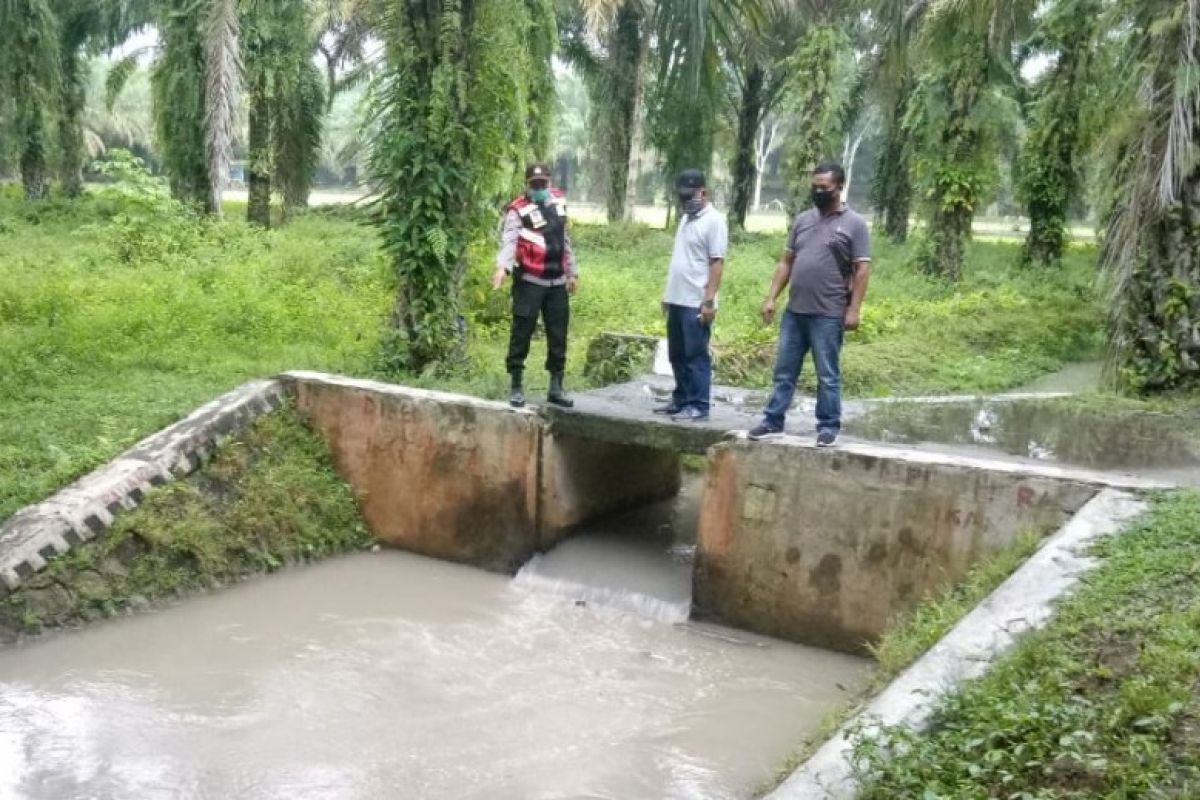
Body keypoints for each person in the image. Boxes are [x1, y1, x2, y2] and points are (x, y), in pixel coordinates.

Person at [748, 162, 871, 446]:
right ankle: (772, 420)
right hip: (795, 312)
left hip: (828, 313)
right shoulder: (803, 220)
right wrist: (771, 298)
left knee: (827, 374)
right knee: (784, 370)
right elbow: (786, 262)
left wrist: (853, 310)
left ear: (839, 187)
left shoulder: (854, 224)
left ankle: (828, 426)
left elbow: (862, 270)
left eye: (824, 187)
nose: (818, 191)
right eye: (814, 186)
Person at [493, 162, 578, 409]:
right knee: (522, 332)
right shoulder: (517, 210)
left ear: (550, 182)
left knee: (558, 334)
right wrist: (503, 267)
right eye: (535, 184)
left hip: (557, 282)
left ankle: (556, 387)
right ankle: (517, 385)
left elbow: (565, 239)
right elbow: (509, 241)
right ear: (527, 185)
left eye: (544, 183)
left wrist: (573, 272)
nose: (540, 188)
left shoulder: (559, 202)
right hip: (529, 281)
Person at [655, 169, 728, 422]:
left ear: (703, 192)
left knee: (695, 354)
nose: (686, 200)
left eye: (691, 195)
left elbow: (716, 262)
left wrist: (709, 300)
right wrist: (668, 294)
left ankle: (698, 404)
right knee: (676, 353)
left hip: (696, 300)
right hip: (677, 298)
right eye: (683, 195)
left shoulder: (714, 221)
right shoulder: (687, 218)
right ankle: (681, 399)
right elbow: (681, 259)